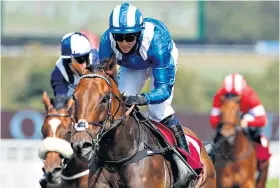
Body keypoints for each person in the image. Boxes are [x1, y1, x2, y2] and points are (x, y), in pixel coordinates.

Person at [98, 2, 191, 155]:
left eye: (129, 37)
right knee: (120, 102)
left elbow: (163, 89)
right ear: (112, 34)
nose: (124, 43)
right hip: (132, 65)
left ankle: (185, 157)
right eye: (119, 37)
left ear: (139, 33)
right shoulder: (106, 42)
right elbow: (103, 80)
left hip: (159, 61)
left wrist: (144, 98)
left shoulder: (157, 42)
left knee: (158, 110)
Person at [210, 73, 271, 169]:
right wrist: (226, 122)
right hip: (228, 125)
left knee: (262, 143)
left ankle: (260, 167)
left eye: (236, 96)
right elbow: (213, 120)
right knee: (212, 146)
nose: (232, 99)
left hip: (247, 123)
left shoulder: (250, 94)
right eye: (228, 96)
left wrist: (247, 122)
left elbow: (263, 120)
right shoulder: (220, 95)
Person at [50, 31, 99, 97]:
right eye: (80, 60)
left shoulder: (98, 59)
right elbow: (61, 101)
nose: (84, 65)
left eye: (86, 57)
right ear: (69, 61)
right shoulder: (59, 72)